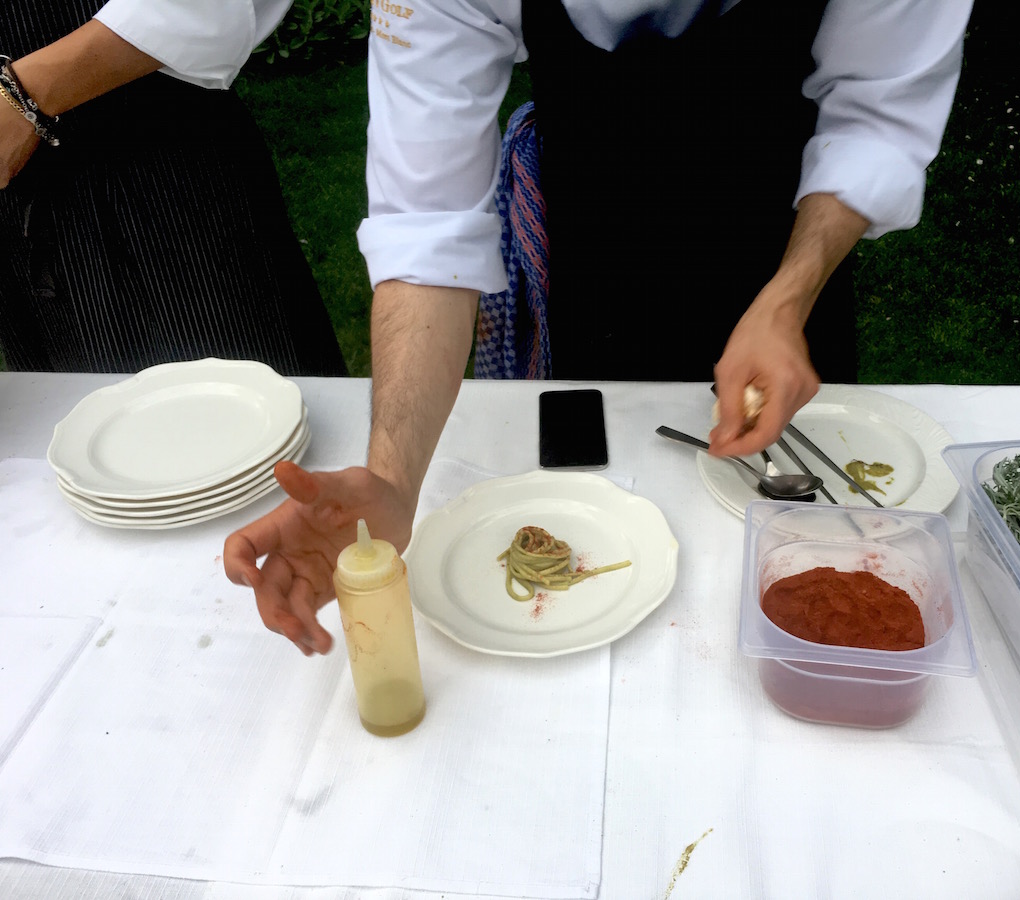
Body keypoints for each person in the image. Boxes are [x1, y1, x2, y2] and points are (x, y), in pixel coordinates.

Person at [223, 0, 974, 655]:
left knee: (812, 547)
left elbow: (877, 115)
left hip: (785, 244)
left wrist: (788, 299)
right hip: (596, 247)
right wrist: (392, 478)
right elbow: (427, 228)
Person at [0, 1, 347, 376]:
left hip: (152, 181)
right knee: (53, 402)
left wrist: (25, 95)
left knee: (230, 397)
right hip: (16, 212)